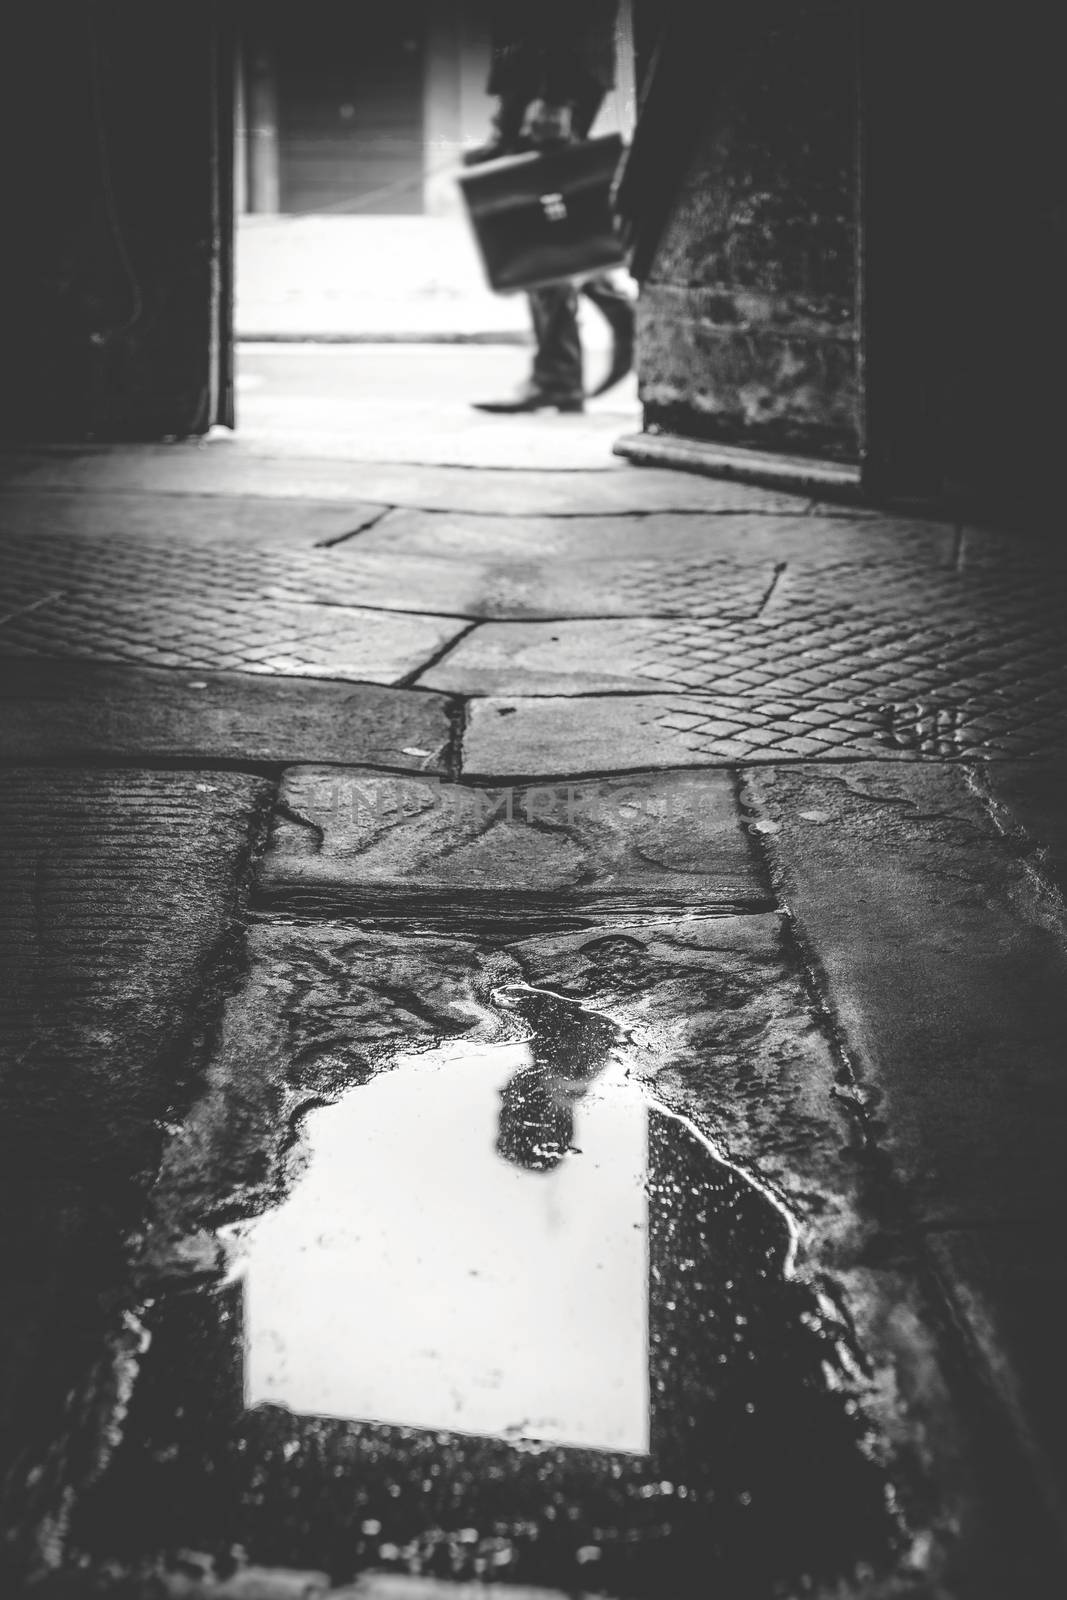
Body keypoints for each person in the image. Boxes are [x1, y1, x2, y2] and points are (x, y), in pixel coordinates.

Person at [464, 0, 635, 414]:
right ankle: (606, 311)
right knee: (539, 226)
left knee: (536, 230)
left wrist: (555, 97)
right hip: (533, 81)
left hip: (549, 83)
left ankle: (558, 373)